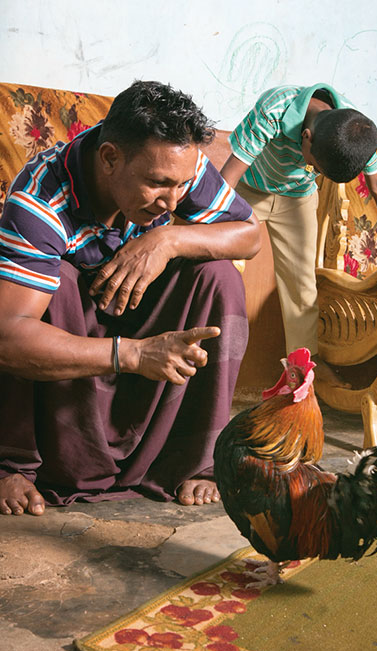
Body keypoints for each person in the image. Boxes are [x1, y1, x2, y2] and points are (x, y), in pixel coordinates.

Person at [0, 80, 261, 516]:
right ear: (109, 158)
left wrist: (168, 240)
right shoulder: (39, 200)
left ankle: (194, 461)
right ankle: (13, 464)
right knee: (57, 283)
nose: (172, 200)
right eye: (157, 184)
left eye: (182, 186)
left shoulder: (176, 165)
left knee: (219, 278)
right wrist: (134, 354)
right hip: (74, 327)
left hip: (136, 308)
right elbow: (7, 338)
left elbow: (251, 235)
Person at [220, 83, 377, 385]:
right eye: (314, 165)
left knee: (302, 287)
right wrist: (208, 230)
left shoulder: (352, 128)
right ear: (305, 137)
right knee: (221, 270)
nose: (312, 170)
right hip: (249, 191)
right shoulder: (274, 109)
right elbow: (229, 176)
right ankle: (208, 358)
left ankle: (302, 369)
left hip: (297, 198)